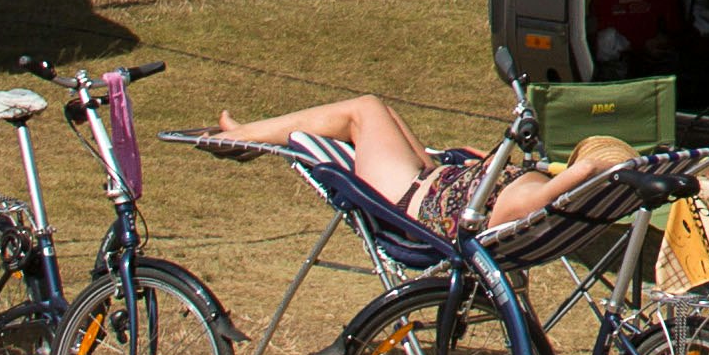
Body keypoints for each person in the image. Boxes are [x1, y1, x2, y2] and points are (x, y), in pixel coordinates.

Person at [213, 89, 623, 243]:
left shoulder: (537, 199)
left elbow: (575, 177)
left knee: (365, 109)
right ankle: (250, 132)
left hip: (413, 199)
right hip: (434, 178)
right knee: (383, 113)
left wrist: (586, 171)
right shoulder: (541, 187)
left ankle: (242, 135)